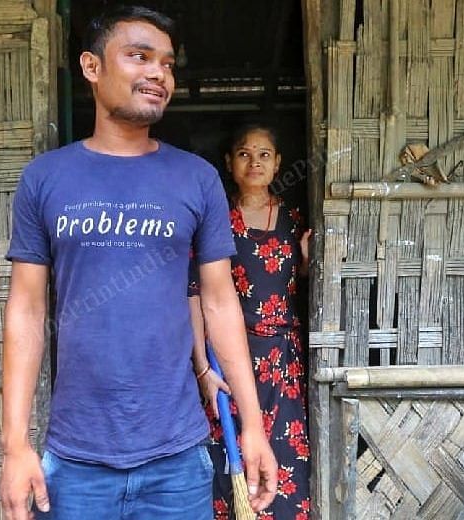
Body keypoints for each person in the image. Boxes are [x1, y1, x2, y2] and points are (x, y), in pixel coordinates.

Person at [0, 6, 277, 520]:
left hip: (177, 458)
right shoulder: (45, 179)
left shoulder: (195, 179)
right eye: (139, 57)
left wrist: (254, 425)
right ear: (91, 66)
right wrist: (15, 446)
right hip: (75, 459)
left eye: (167, 64)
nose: (158, 74)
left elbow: (219, 304)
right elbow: (26, 312)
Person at [191, 123, 311, 519]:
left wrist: (309, 263)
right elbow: (194, 293)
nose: (254, 162)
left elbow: (304, 286)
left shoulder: (295, 221)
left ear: (277, 164)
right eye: (244, 153)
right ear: (229, 163)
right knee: (231, 460)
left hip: (284, 363)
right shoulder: (215, 222)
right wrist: (204, 366)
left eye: (263, 154)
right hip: (231, 361)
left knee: (287, 458)